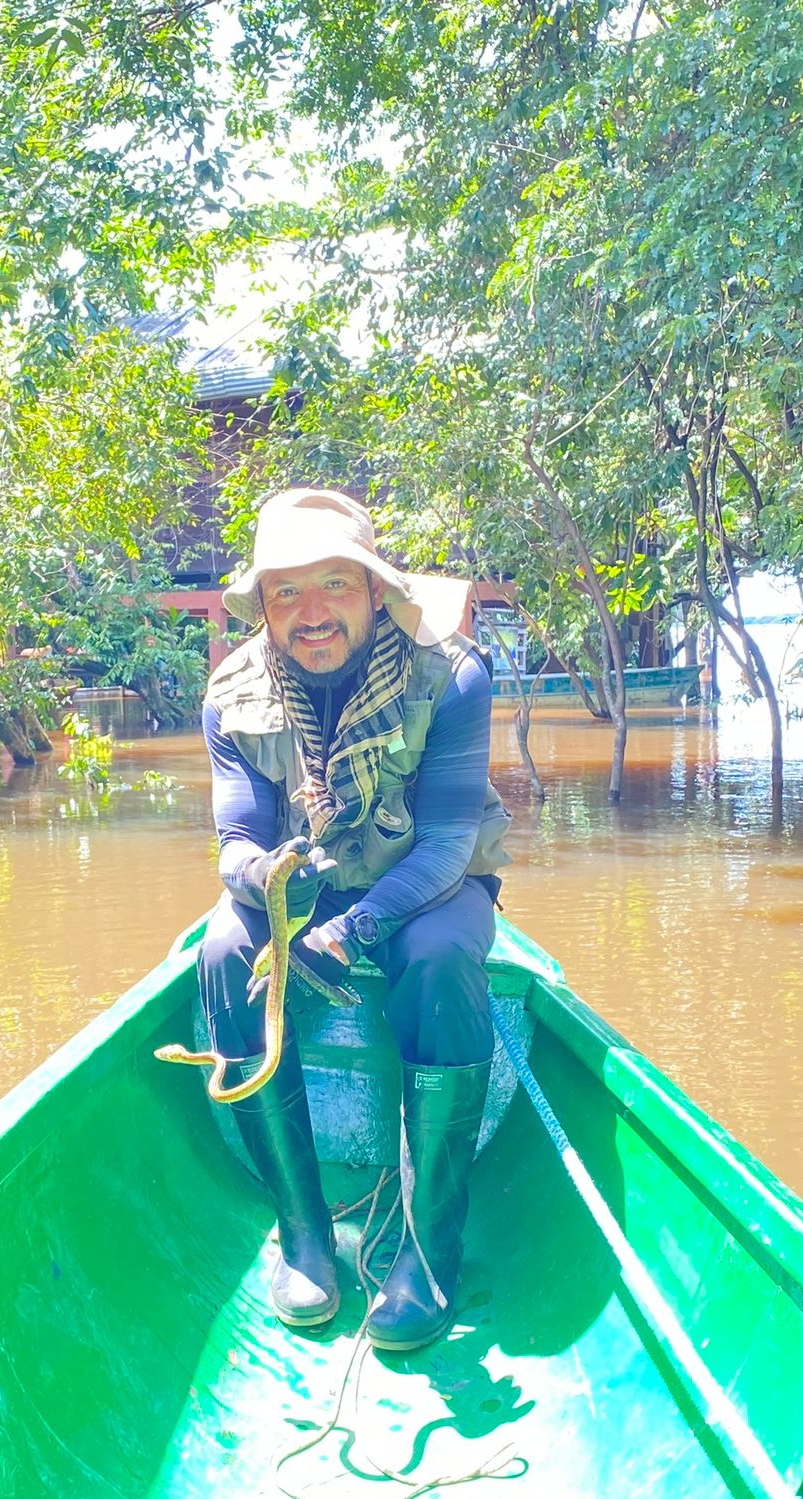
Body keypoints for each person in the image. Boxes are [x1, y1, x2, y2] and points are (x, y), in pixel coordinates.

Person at [198, 488, 510, 1351]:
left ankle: (430, 1251)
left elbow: (446, 846)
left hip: (428, 882)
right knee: (223, 951)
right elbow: (235, 841)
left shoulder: (450, 675)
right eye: (286, 592)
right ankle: (304, 1234)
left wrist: (351, 931)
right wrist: (266, 881)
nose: (312, 613)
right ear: (263, 607)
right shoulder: (232, 694)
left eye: (335, 584)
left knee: (440, 958)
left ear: (376, 589)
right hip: (307, 884)